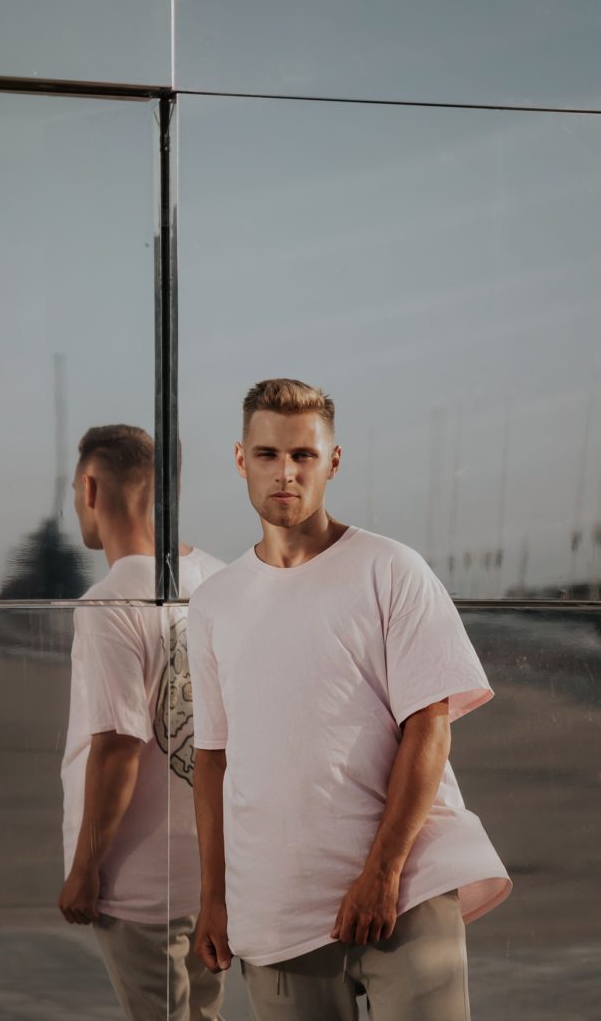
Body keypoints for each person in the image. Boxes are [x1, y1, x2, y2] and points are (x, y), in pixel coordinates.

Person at [188, 380, 512, 1021]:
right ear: (240, 459)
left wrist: (383, 874)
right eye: (267, 454)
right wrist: (214, 900)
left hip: (405, 890)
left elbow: (430, 728)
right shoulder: (215, 603)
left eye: (303, 455)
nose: (285, 473)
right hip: (273, 904)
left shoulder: (391, 569)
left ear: (333, 461)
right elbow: (213, 760)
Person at [58, 424, 226, 1021]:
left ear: (91, 488)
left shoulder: (109, 602)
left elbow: (117, 749)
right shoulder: (220, 578)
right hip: (211, 875)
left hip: (136, 884)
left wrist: (84, 871)